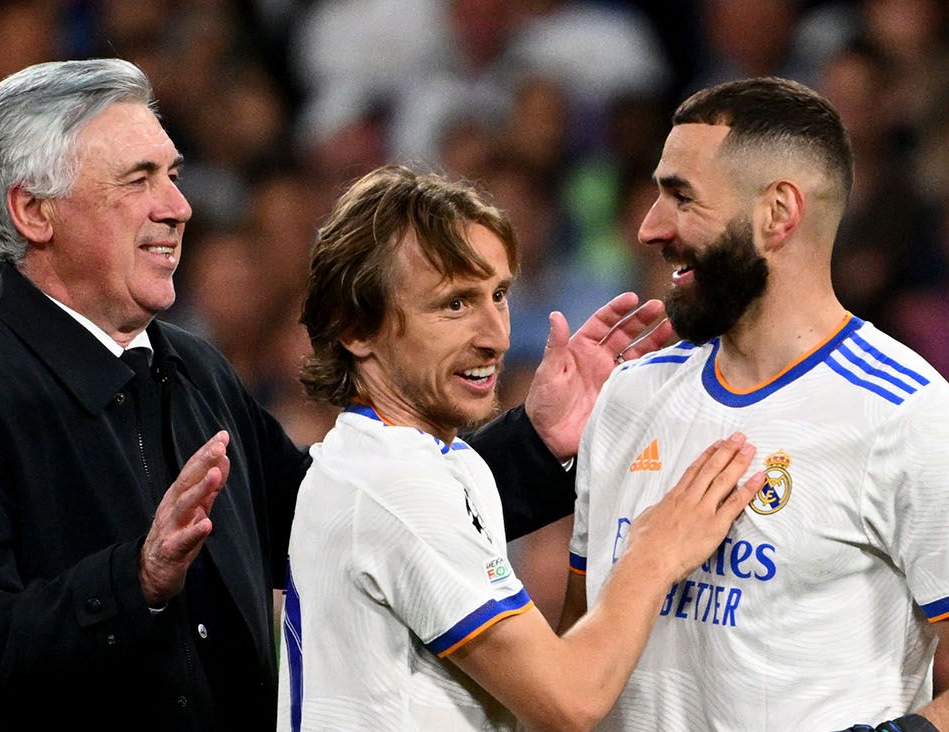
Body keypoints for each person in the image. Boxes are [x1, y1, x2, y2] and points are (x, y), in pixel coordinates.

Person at [0, 59, 671, 732]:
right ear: (33, 212)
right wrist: (134, 581)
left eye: (174, 176)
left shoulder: (193, 370)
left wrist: (535, 440)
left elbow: (341, 514)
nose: (177, 207)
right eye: (139, 179)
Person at [560, 77, 949, 731]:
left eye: (681, 197)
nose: (650, 227)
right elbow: (574, 664)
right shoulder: (628, 398)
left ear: (778, 213)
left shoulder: (909, 421)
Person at [281, 164, 763, 731]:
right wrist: (653, 553)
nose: (497, 336)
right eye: (455, 304)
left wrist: (583, 502)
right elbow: (569, 703)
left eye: (500, 294)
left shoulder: (439, 461)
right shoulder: (392, 485)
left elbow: (536, 701)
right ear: (355, 328)